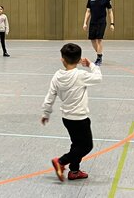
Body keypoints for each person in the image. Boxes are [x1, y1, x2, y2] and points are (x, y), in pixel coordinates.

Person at [41, 43, 102, 182]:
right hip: (80, 118)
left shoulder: (57, 76)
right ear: (80, 59)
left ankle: (74, 171)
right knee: (86, 146)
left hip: (67, 119)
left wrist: (46, 113)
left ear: (62, 59)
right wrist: (91, 65)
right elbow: (98, 78)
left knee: (76, 144)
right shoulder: (81, 75)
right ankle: (61, 161)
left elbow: (50, 96)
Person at [83, 0, 114, 66]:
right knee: (92, 40)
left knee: (99, 39)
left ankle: (99, 58)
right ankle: (99, 54)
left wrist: (112, 23)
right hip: (93, 22)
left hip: (102, 22)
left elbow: (110, 11)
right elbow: (88, 11)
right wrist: (85, 23)